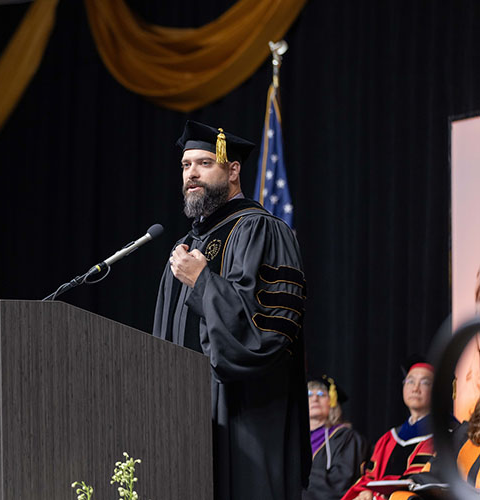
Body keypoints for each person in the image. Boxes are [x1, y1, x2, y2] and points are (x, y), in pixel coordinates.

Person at [152, 120, 310, 500]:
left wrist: (203, 282)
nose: (192, 173)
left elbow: (269, 333)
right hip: (187, 416)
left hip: (247, 417)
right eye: (186, 165)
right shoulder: (185, 249)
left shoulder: (263, 230)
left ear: (233, 170)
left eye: (204, 163)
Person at [341, 361, 435, 500]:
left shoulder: (442, 437)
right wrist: (365, 493)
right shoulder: (388, 439)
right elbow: (369, 478)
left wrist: (377, 495)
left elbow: (421, 480)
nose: (415, 388)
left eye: (425, 383)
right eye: (410, 381)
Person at [303, 375, 368, 500]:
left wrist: (295, 476)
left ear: (332, 402)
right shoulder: (294, 441)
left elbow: (341, 483)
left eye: (322, 394)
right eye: (309, 394)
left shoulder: (346, 437)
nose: (315, 398)